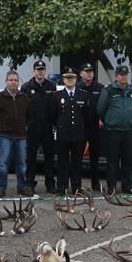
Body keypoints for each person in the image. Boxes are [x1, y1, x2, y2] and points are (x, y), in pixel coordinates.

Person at [0, 70, 30, 197]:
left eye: (16, 80)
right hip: (4, 136)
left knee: (21, 164)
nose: (13, 82)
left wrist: (23, 126)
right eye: (11, 80)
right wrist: (1, 126)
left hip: (21, 136)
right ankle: (1, 188)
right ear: (6, 82)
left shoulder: (24, 98)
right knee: (3, 164)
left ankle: (21, 187)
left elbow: (28, 115)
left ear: (18, 82)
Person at [97, 64, 132, 195]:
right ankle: (111, 186)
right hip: (113, 131)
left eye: (126, 75)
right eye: (121, 75)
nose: (124, 77)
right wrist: (110, 121)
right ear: (116, 76)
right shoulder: (108, 90)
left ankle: (127, 186)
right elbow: (100, 110)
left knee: (127, 161)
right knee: (112, 161)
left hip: (128, 131)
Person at [51, 66, 90, 195]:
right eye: (67, 78)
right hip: (63, 135)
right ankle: (61, 187)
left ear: (76, 79)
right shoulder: (57, 96)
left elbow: (86, 115)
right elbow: (53, 115)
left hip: (78, 135)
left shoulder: (83, 95)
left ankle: (76, 187)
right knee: (62, 162)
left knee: (77, 163)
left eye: (72, 78)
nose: (69, 80)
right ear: (63, 79)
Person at [21, 60, 57, 193]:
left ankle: (50, 184)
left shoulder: (51, 86)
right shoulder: (26, 87)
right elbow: (23, 109)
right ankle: (29, 184)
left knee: (49, 157)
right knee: (31, 157)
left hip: (47, 127)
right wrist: (25, 125)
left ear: (45, 71)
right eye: (38, 69)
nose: (40, 72)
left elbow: (54, 107)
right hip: (32, 127)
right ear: (34, 71)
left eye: (42, 69)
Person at [77, 63, 103, 191]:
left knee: (95, 157)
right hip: (80, 128)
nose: (89, 74)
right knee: (77, 157)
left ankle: (95, 183)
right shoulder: (76, 87)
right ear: (81, 74)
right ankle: (77, 184)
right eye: (86, 71)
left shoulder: (100, 88)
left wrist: (102, 119)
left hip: (94, 127)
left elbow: (104, 107)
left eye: (91, 71)